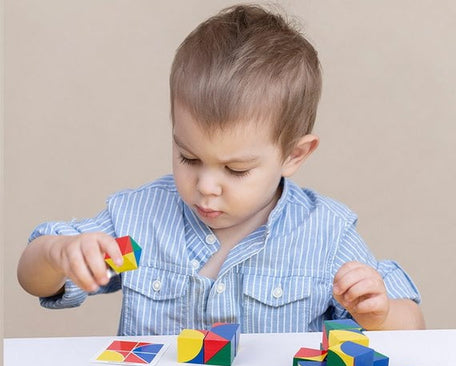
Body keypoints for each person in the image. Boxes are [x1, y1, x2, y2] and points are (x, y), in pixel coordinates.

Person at [17, 4, 424, 335]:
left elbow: (415, 328)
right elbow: (34, 279)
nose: (206, 187)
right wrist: (59, 254)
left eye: (236, 169)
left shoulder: (325, 234)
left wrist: (379, 314)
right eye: (189, 158)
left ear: (294, 156)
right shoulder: (139, 220)